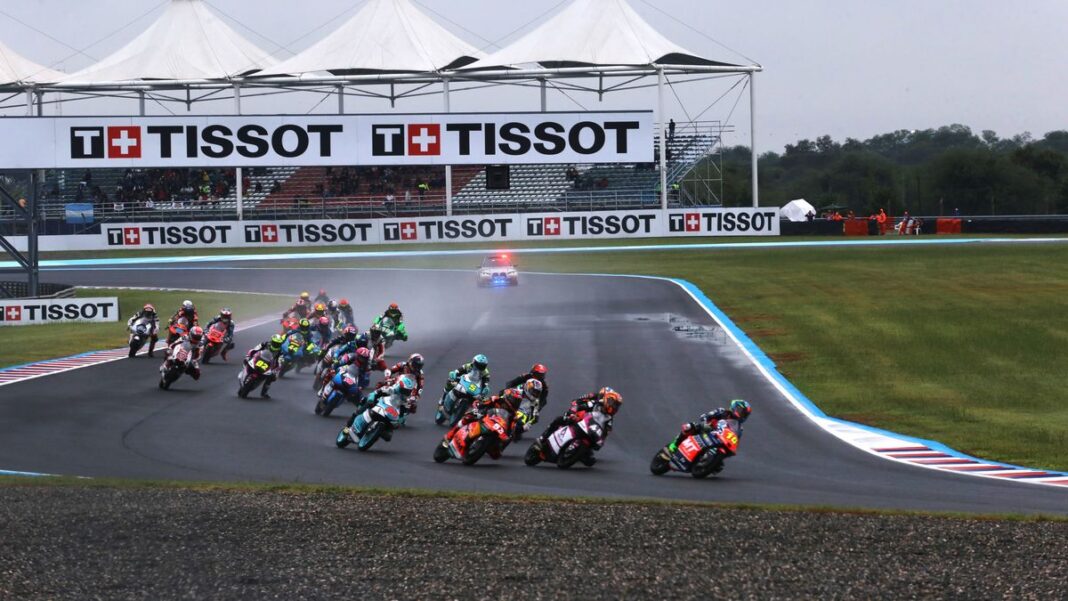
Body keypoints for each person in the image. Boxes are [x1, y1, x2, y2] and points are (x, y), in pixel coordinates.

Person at [535, 387, 622, 448]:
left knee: (590, 459)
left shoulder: (609, 416)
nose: (603, 399)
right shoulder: (592, 398)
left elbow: (606, 431)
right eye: (602, 396)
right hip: (580, 413)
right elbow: (576, 401)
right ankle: (543, 438)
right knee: (560, 419)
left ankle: (581, 450)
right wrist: (572, 412)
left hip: (592, 425)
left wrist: (601, 440)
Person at [672, 400, 752, 449]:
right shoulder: (722, 411)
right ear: (735, 407)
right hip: (708, 430)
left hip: (719, 440)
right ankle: (673, 446)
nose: (741, 415)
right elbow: (707, 416)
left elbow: (735, 440)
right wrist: (706, 419)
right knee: (690, 426)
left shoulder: (739, 428)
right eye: (741, 411)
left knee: (719, 467)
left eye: (744, 414)